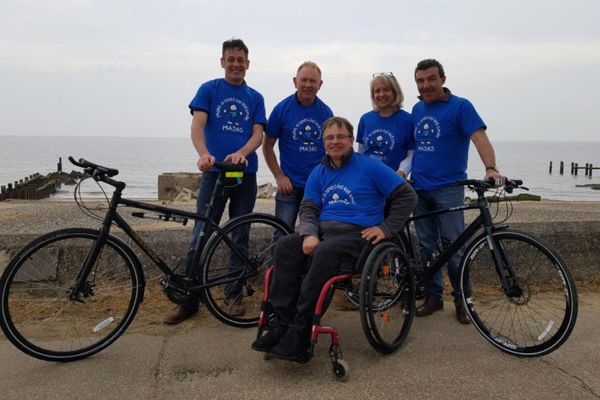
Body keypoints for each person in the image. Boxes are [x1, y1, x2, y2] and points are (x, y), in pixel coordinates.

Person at [251, 116, 417, 361]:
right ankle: (282, 324)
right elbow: (308, 208)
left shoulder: (371, 167)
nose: (335, 141)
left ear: (351, 140)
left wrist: (386, 228)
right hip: (323, 233)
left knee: (324, 251)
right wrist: (309, 233)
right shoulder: (318, 172)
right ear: (323, 142)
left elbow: (407, 196)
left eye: (340, 137)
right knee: (284, 246)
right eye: (329, 137)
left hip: (358, 237)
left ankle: (301, 331)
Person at [164, 38, 267, 325]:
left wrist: (242, 153)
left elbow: (258, 134)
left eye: (240, 60)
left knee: (240, 234)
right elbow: (197, 125)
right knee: (201, 233)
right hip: (214, 173)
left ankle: (233, 295)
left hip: (244, 174)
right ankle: (189, 300)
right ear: (222, 62)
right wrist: (203, 154)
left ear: (248, 64)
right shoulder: (209, 89)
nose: (235, 64)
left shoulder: (255, 97)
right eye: (230, 59)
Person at [410, 59, 503, 324]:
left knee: (454, 247)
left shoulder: (461, 106)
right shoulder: (416, 109)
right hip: (419, 188)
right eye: (420, 81)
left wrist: (491, 168)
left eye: (431, 79)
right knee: (427, 247)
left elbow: (479, 137)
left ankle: (463, 300)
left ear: (443, 79)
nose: (426, 85)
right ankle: (434, 297)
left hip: (449, 188)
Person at [263, 61, 333, 232]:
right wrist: (278, 176)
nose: (308, 85)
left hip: (316, 186)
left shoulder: (326, 113)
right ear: (295, 81)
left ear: (320, 85)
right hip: (289, 186)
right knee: (282, 234)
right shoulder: (281, 109)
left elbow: (333, 149)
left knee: (315, 234)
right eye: (304, 80)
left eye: (313, 81)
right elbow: (267, 146)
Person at [357, 72, 414, 176]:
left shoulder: (408, 120)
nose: (381, 94)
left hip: (394, 179)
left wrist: (401, 172)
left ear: (395, 92)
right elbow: (361, 152)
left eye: (386, 90)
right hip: (367, 179)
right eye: (377, 91)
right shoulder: (365, 119)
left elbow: (412, 154)